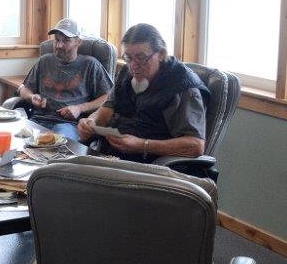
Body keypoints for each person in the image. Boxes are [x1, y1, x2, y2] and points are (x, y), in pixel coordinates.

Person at [78, 23, 208, 165]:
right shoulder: (126, 75)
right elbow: (105, 111)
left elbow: (196, 145)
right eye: (128, 57)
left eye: (141, 57)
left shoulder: (183, 86)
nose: (133, 65)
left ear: (161, 54)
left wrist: (143, 145)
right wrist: (91, 122)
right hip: (111, 157)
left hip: (149, 168)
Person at [16, 18, 113, 140]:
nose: (59, 45)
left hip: (69, 125)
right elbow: (24, 89)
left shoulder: (91, 65)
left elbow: (109, 98)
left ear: (78, 42)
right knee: (16, 143)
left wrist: (80, 108)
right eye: (57, 39)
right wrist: (32, 97)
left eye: (66, 40)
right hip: (38, 121)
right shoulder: (44, 61)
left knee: (54, 146)